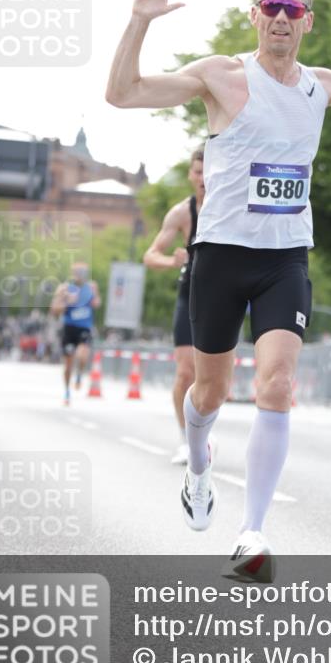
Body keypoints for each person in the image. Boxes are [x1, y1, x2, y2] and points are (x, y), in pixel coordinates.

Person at [106, 0, 331, 580]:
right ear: (254, 14)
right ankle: (200, 467)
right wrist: (138, 22)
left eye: (294, 10)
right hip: (220, 257)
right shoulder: (221, 77)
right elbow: (123, 93)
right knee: (210, 393)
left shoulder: (322, 85)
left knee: (277, 387)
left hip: (285, 259)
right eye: (271, 8)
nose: (281, 18)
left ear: (307, 21)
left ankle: (252, 532)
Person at [143, 149, 206, 464]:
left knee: (213, 380)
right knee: (185, 372)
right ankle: (186, 440)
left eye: (208, 170)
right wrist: (172, 260)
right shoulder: (183, 212)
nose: (203, 177)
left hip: (225, 299)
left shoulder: (234, 207)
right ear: (190, 175)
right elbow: (150, 254)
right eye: (197, 171)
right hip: (190, 294)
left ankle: (203, 433)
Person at [50, 262, 101, 405]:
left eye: (84, 271)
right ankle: (67, 391)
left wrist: (95, 293)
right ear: (73, 273)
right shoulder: (64, 288)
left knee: (82, 355)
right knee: (68, 364)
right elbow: (54, 310)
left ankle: (79, 374)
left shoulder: (91, 287)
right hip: (69, 328)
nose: (81, 274)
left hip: (84, 328)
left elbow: (97, 304)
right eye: (78, 271)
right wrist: (66, 302)